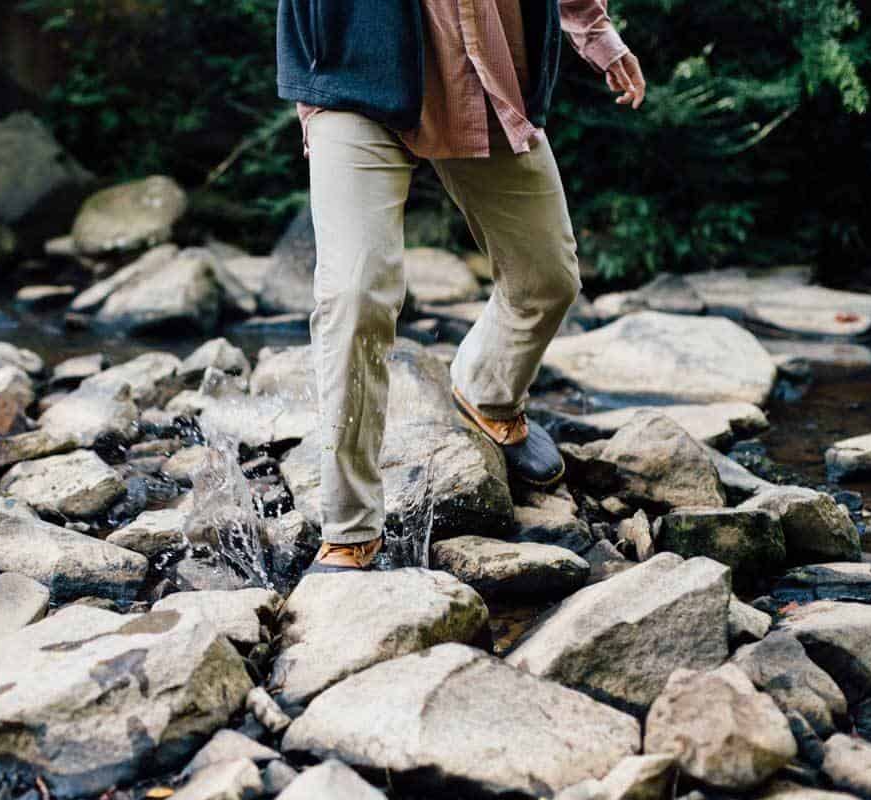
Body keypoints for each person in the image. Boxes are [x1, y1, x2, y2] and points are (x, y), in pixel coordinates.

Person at [275, 0, 646, 573]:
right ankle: (350, 530)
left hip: (484, 72)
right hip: (353, 79)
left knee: (548, 276)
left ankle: (487, 389)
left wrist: (595, 33)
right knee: (354, 295)